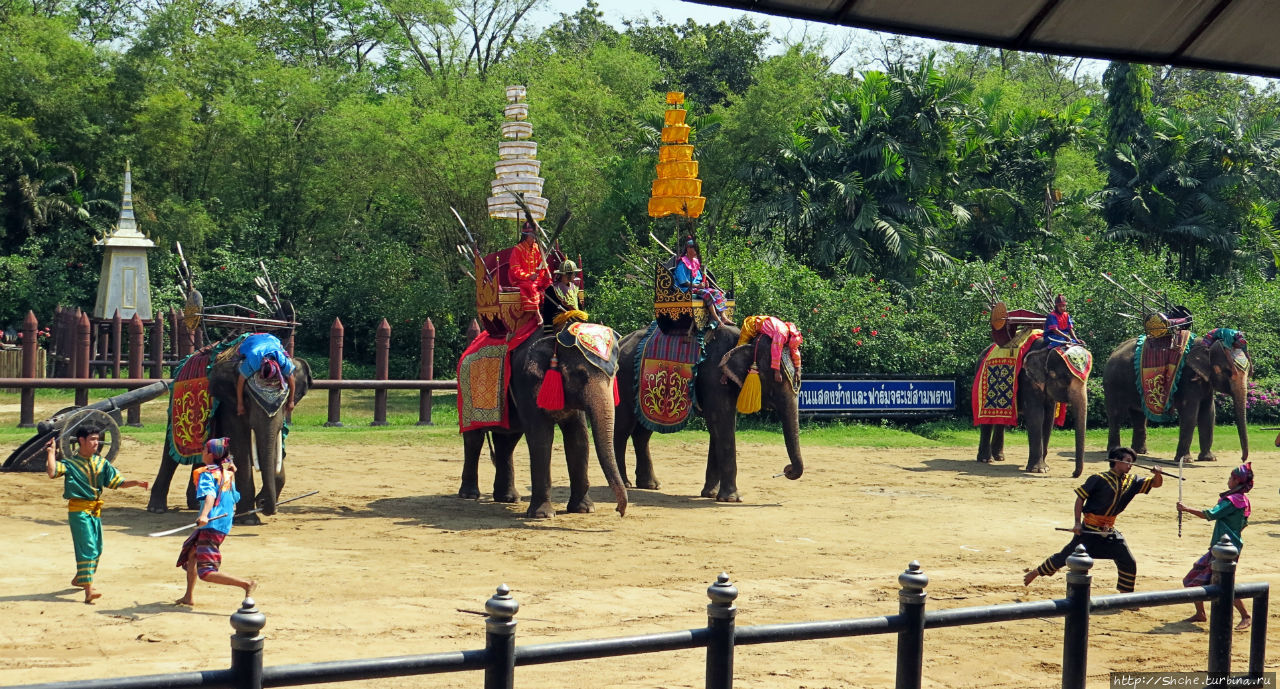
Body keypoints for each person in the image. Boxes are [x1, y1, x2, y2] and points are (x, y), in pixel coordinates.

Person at [1023, 447, 1162, 592]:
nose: (1130, 465)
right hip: (1089, 529)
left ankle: (1126, 595)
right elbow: (1080, 498)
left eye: (1132, 462)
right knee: (1064, 557)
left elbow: (1155, 483)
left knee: (1128, 561)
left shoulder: (1132, 481)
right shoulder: (1098, 479)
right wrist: (1077, 523)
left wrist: (1157, 474)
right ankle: (1036, 572)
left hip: (1109, 530)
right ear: (1116, 461)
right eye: (1128, 461)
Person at [44, 426, 148, 604]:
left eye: (97, 439)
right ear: (81, 441)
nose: (96, 443)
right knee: (89, 548)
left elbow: (117, 482)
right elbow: (52, 472)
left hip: (95, 511)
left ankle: (80, 578)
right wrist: (51, 453)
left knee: (97, 549)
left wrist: (136, 483)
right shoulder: (70, 464)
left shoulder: (101, 463)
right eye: (92, 439)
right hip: (78, 511)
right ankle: (88, 590)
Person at [175, 437, 256, 606]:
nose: (203, 452)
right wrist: (232, 473)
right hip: (221, 524)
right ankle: (188, 596)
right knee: (191, 556)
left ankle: (246, 584)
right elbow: (235, 497)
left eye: (205, 449)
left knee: (206, 572)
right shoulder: (227, 475)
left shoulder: (207, 474)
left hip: (211, 526)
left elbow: (210, 496)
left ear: (211, 455)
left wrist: (204, 515)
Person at [1177, 462, 1253, 630]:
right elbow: (1244, 523)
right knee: (1195, 578)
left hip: (1223, 549)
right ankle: (1200, 613)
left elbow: (1210, 514)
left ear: (1236, 481)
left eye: (1231, 478)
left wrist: (1186, 509)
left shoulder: (1232, 501)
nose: (1228, 481)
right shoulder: (1244, 500)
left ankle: (1246, 615)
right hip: (1227, 546)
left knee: (1222, 583)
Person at [674, 237, 732, 326]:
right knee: (707, 294)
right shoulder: (682, 263)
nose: (697, 251)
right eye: (695, 248)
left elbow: (699, 278)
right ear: (688, 249)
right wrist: (698, 286)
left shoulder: (696, 262)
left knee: (717, 292)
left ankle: (723, 317)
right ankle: (717, 319)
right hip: (686, 289)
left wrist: (705, 284)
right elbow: (683, 282)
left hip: (697, 288)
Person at [236, 332, 297, 416]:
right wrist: (240, 403)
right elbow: (241, 380)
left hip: (272, 339)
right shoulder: (254, 359)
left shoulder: (281, 359)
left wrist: (291, 400)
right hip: (251, 341)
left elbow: (291, 377)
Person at [508, 219, 551, 323]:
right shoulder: (517, 249)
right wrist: (528, 276)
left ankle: (550, 311)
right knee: (531, 287)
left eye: (535, 236)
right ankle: (537, 314)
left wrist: (546, 273)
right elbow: (515, 270)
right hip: (522, 280)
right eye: (532, 235)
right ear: (525, 236)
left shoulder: (537, 247)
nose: (534, 238)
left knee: (549, 283)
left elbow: (542, 263)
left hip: (536, 278)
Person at [738, 315, 802, 383]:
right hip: (752, 325)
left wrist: (798, 369)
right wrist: (777, 372)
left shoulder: (793, 335)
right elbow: (776, 352)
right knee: (740, 349)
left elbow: (794, 350)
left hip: (770, 325)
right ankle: (726, 375)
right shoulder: (781, 334)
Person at [541, 259, 585, 333]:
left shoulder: (574, 287)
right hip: (560, 322)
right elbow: (547, 311)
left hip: (575, 319)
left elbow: (578, 307)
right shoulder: (552, 289)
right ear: (568, 275)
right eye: (573, 273)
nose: (575, 275)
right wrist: (548, 331)